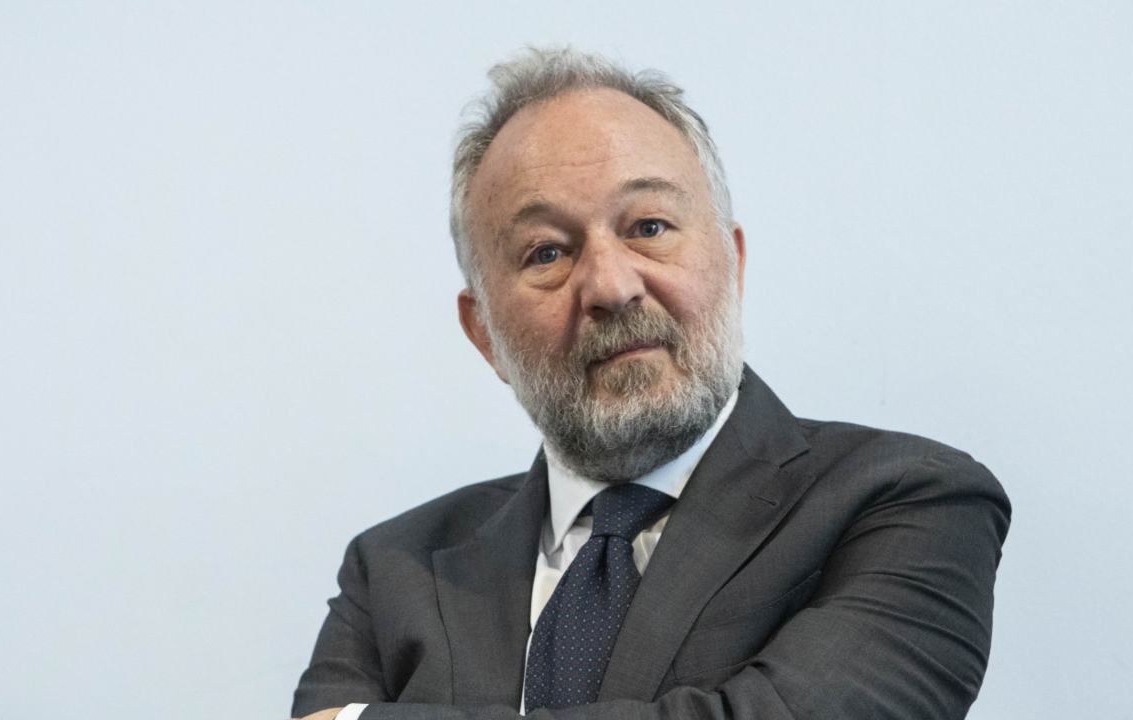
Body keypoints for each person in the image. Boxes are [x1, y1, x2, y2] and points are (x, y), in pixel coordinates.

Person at [291, 46, 1011, 720]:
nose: (611, 286)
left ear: (732, 262)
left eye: (649, 226)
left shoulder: (909, 501)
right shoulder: (390, 570)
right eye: (546, 252)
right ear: (484, 335)